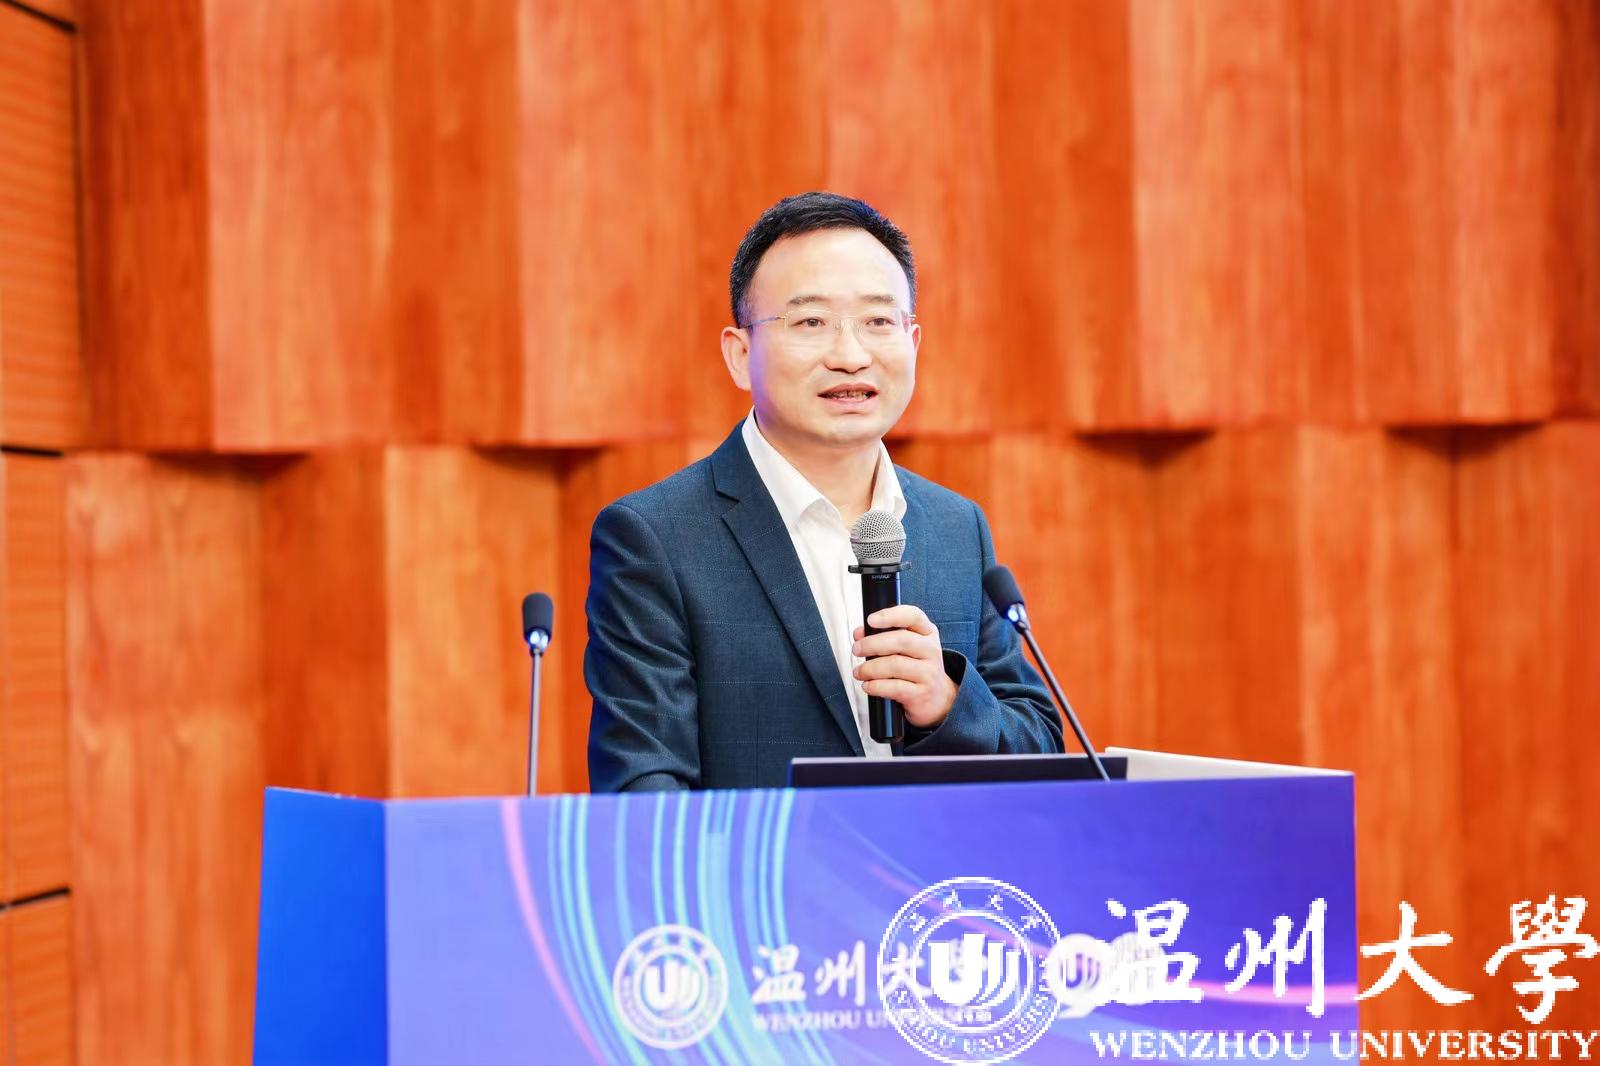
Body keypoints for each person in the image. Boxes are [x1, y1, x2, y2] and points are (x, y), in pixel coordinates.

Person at [586, 192, 1063, 791]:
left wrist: (945, 703)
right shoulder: (657, 537)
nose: (850, 356)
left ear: (913, 343)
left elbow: (1044, 750)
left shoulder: (954, 526)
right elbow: (644, 784)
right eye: (811, 322)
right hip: (764, 857)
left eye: (878, 321)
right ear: (740, 355)